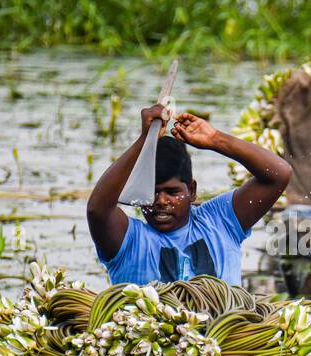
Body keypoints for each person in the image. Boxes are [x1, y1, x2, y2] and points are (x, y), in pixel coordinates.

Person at [86, 104, 292, 286]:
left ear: (192, 191)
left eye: (172, 192)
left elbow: (278, 174)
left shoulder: (220, 221)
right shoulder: (129, 240)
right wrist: (143, 141)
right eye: (152, 193)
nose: (161, 201)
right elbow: (98, 210)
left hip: (224, 329)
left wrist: (215, 139)